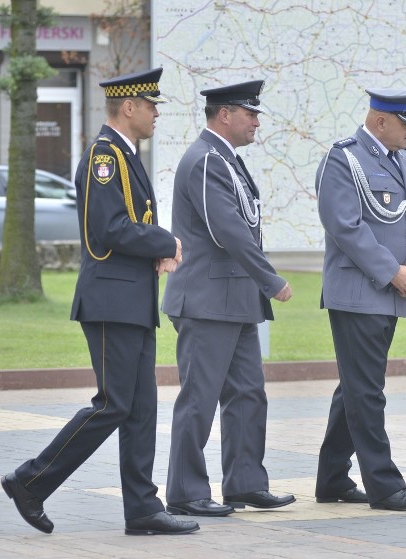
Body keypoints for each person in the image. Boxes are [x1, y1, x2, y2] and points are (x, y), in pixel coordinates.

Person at [1, 68, 198, 536]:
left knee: (140, 408)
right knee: (112, 404)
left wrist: (155, 251)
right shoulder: (103, 157)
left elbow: (124, 227)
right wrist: (164, 242)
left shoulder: (125, 155)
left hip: (129, 300)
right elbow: (109, 229)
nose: (155, 114)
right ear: (128, 107)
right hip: (111, 301)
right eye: (151, 105)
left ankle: (143, 509)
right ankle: (29, 480)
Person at [161, 80, 295, 517]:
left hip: (233, 299)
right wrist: (270, 279)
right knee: (199, 399)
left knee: (248, 395)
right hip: (207, 299)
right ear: (224, 115)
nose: (256, 121)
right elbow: (227, 230)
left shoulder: (225, 160)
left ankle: (245, 483)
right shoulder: (205, 161)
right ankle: (185, 492)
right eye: (250, 113)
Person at [314, 88, 406, 511]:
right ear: (380, 121)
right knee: (366, 389)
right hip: (358, 293)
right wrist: (393, 273)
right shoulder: (343, 159)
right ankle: (384, 485)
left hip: (393, 292)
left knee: (355, 386)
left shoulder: (404, 159)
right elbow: (345, 227)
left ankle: (331, 478)